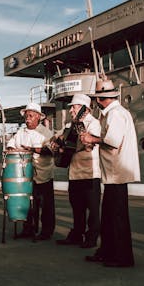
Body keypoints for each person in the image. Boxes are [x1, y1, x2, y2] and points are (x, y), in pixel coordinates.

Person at [81, 79, 140, 267]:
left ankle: (121, 258)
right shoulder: (115, 113)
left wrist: (91, 138)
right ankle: (107, 252)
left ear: (100, 100)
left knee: (117, 217)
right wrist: (95, 140)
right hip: (113, 174)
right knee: (109, 217)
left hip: (117, 173)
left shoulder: (115, 114)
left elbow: (113, 141)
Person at [54, 94, 101, 248]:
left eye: (73, 107)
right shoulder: (69, 126)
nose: (71, 110)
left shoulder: (93, 123)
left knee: (92, 209)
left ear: (84, 109)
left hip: (90, 172)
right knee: (77, 207)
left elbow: (89, 145)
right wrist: (59, 146)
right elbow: (63, 141)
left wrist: (79, 131)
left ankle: (91, 237)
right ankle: (77, 234)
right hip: (74, 172)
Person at [7, 102, 55, 240]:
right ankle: (28, 229)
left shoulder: (46, 133)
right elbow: (11, 144)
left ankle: (46, 232)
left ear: (38, 117)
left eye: (31, 115)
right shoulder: (21, 132)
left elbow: (50, 150)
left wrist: (31, 149)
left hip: (43, 173)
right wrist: (12, 149)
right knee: (28, 203)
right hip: (26, 174)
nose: (27, 117)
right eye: (26, 115)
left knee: (46, 205)